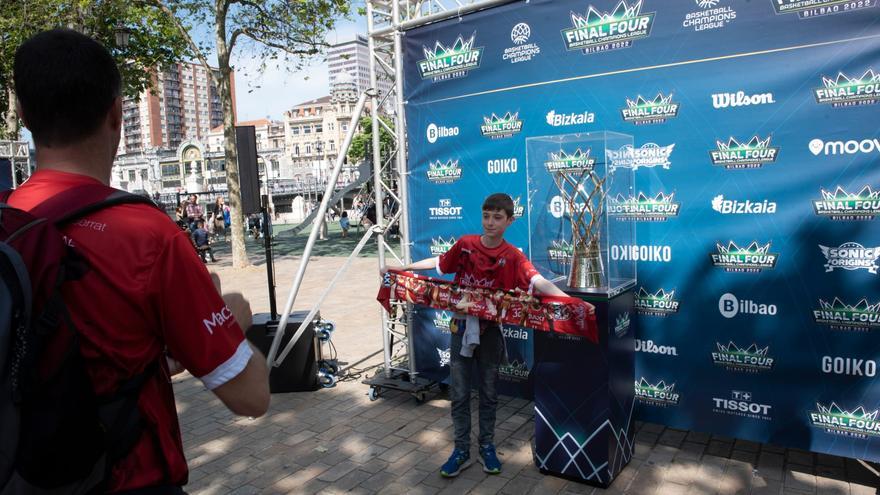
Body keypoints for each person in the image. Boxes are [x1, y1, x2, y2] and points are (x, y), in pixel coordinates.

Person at [8, 29, 269, 493]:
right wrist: (231, 321)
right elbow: (251, 396)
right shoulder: (148, 236)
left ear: (23, 115)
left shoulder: (8, 224)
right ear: (116, 114)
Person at [391, 193, 568, 478]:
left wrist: (570, 302)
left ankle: (487, 446)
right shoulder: (465, 245)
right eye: (486, 216)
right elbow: (439, 263)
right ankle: (461, 450)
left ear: (510, 221)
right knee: (460, 394)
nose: (490, 222)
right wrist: (405, 268)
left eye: (498, 217)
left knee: (488, 394)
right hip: (461, 329)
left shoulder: (512, 256)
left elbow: (538, 282)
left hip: (490, 334)